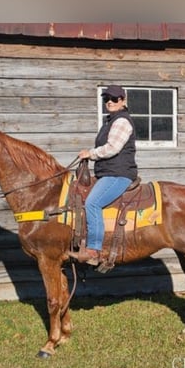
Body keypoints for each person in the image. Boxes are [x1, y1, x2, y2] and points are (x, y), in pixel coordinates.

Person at [70, 84, 138, 265]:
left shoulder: (121, 121)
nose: (110, 102)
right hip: (107, 172)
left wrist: (90, 154)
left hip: (118, 174)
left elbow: (112, 148)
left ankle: (94, 249)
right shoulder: (110, 121)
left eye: (114, 99)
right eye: (106, 99)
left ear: (123, 100)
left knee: (93, 203)